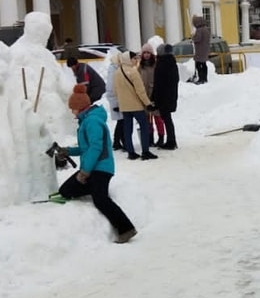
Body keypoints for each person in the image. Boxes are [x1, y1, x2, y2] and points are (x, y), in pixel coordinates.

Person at [48, 85, 137, 243]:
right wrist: (67, 151)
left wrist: (85, 172)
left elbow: (96, 147)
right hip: (93, 168)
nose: (71, 111)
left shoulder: (92, 121)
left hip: (100, 169)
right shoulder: (87, 121)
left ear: (79, 107)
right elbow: (85, 148)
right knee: (66, 190)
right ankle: (90, 186)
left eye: (72, 108)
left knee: (100, 199)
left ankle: (126, 229)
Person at [110, 51, 156, 160]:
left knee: (127, 129)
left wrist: (119, 103)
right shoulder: (133, 72)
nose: (136, 60)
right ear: (128, 59)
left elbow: (115, 91)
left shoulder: (117, 73)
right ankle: (145, 151)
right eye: (134, 58)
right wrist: (148, 103)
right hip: (136, 106)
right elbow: (140, 91)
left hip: (124, 107)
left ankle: (131, 152)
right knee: (144, 126)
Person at [152, 44, 180, 150]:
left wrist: (154, 98)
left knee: (166, 119)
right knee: (168, 119)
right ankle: (172, 140)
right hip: (171, 95)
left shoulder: (161, 64)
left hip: (163, 97)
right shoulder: (173, 63)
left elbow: (158, 84)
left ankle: (171, 141)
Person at [191, 15, 211, 84]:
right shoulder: (206, 29)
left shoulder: (199, 30)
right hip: (205, 49)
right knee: (204, 64)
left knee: (198, 64)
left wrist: (193, 37)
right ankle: (205, 78)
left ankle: (201, 78)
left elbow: (197, 39)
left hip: (200, 50)